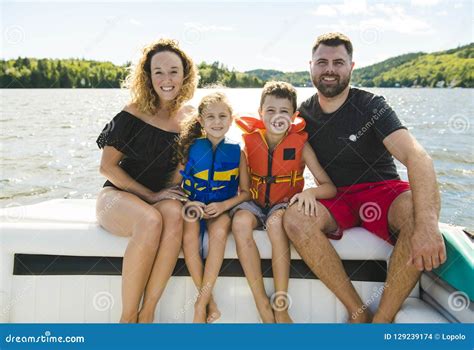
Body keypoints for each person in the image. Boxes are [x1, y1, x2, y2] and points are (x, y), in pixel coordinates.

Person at [283, 32, 446, 323]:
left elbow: (417, 157)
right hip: (336, 197)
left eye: (338, 62)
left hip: (382, 192)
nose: (329, 69)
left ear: (351, 67)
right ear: (311, 66)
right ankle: (357, 312)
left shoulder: (372, 106)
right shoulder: (302, 114)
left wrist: (428, 225)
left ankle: (381, 320)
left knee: (415, 210)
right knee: (295, 218)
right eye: (322, 62)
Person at [95, 38, 198, 323]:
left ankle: (147, 313)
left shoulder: (192, 118)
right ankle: (127, 319)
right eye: (158, 72)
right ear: (148, 76)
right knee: (150, 220)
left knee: (175, 216)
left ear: (185, 74)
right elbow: (107, 167)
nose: (166, 79)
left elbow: (186, 168)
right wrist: (150, 197)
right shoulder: (130, 114)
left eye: (174, 71)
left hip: (161, 195)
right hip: (118, 194)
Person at [231, 81, 337, 323]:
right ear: (260, 113)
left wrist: (310, 192)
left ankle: (280, 304)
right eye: (270, 111)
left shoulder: (301, 145)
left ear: (294, 115)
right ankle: (261, 303)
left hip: (283, 204)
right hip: (253, 202)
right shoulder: (248, 142)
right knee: (239, 224)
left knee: (276, 226)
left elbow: (329, 187)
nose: (276, 117)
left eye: (283, 112)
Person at [170, 92, 251, 323]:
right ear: (201, 121)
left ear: (231, 119)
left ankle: (200, 304)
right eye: (211, 117)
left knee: (218, 234)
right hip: (193, 205)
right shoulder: (190, 149)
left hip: (221, 208)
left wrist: (224, 204)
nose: (217, 122)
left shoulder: (238, 152)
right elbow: (177, 186)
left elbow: (246, 193)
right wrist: (189, 201)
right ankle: (209, 302)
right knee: (189, 237)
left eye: (223, 116)